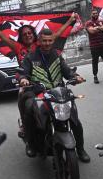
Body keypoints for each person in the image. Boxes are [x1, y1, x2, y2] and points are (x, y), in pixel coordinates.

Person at [18, 29, 89, 161]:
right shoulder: (30, 57)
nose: (47, 43)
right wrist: (23, 79)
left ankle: (80, 149)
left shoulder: (56, 55)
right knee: (28, 107)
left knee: (74, 119)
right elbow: (24, 73)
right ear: (39, 41)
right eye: (44, 40)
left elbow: (67, 71)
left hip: (58, 92)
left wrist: (75, 76)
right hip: (38, 92)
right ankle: (31, 144)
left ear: (53, 41)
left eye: (50, 40)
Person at [0, 13, 77, 65]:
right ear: (21, 37)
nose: (27, 35)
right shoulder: (17, 47)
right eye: (24, 34)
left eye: (29, 33)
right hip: (26, 81)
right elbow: (4, 38)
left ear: (33, 34)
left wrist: (70, 20)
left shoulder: (39, 44)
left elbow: (56, 35)